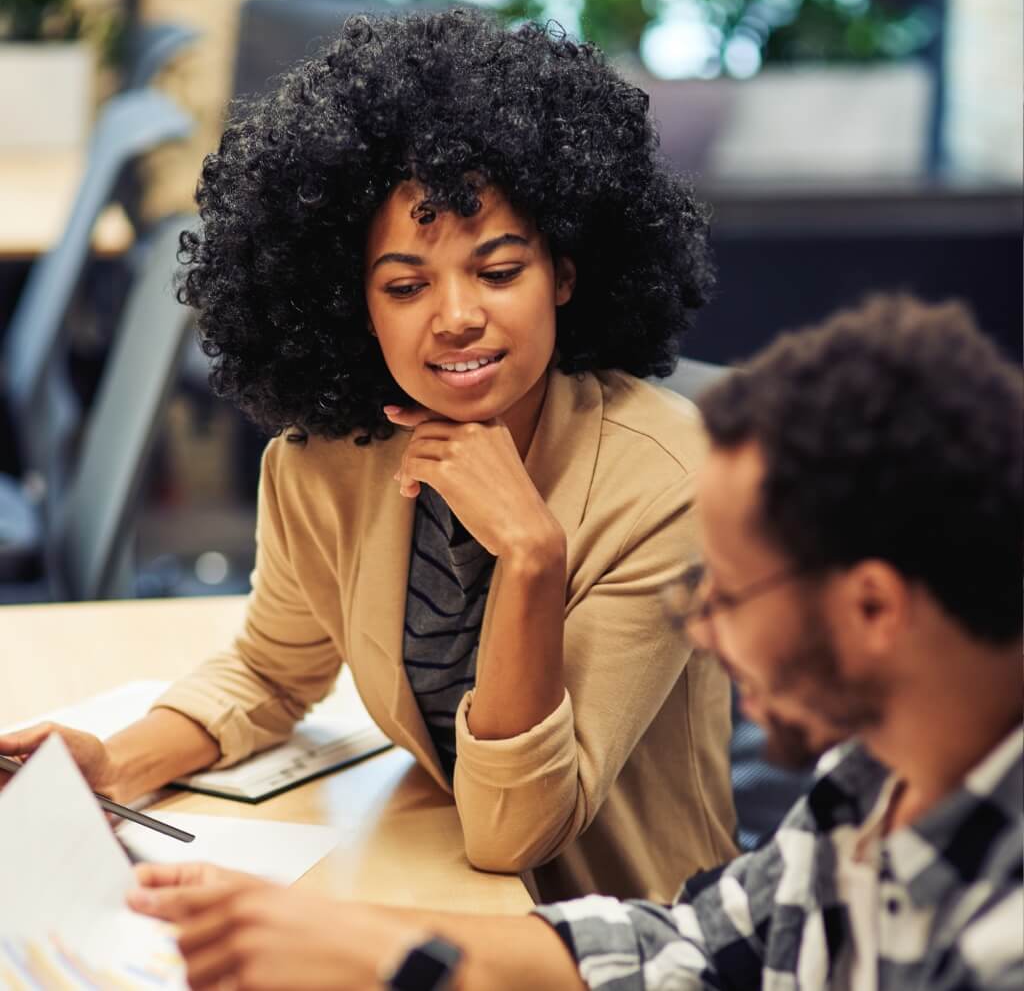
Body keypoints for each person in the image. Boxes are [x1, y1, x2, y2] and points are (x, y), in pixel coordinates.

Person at [0, 8, 738, 903]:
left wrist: (533, 556)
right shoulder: (328, 463)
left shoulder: (662, 478)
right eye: (406, 285)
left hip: (626, 936)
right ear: (354, 302)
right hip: (435, 890)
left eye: (499, 271)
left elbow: (517, 832)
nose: (458, 314)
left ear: (566, 274)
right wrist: (110, 765)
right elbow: (272, 671)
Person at [129, 294, 1022, 990]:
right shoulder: (873, 785)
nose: (705, 631)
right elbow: (704, 951)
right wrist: (361, 941)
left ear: (873, 608)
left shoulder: (996, 941)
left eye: (729, 594)